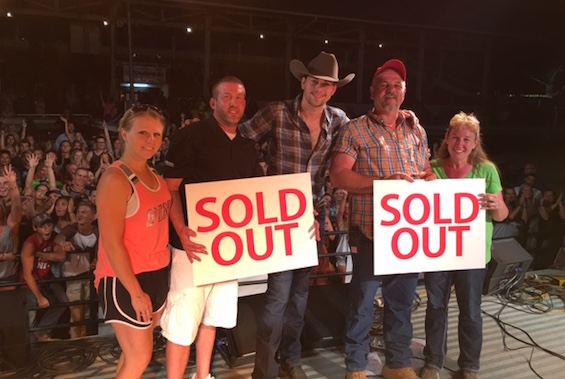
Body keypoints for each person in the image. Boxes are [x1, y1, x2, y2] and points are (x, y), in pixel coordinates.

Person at [239, 51, 354, 379]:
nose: (320, 89)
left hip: (310, 222)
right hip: (278, 218)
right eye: (315, 82)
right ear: (303, 82)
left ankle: (290, 361)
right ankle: (265, 371)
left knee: (299, 299)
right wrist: (257, 183)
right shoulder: (276, 112)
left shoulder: (340, 120)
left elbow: (347, 161)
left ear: (333, 90)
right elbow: (242, 139)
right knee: (277, 298)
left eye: (327, 85)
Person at [329, 58, 435, 379]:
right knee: (362, 305)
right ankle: (356, 365)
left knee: (401, 304)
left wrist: (430, 179)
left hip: (407, 235)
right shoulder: (354, 129)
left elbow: (427, 170)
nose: (391, 91)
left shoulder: (416, 129)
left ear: (404, 92)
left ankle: (398, 362)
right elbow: (339, 176)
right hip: (372, 233)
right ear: (372, 92)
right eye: (384, 85)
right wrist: (383, 183)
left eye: (397, 85)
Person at [160, 76, 263, 379]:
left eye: (240, 98)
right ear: (213, 103)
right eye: (227, 96)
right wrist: (180, 230)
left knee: (211, 317)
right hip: (191, 247)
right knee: (182, 320)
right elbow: (170, 189)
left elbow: (262, 191)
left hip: (227, 248)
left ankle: (202, 375)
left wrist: (300, 212)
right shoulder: (191, 136)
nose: (234, 103)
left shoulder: (247, 145)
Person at [420, 112, 509, 379]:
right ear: (446, 138)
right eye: (455, 137)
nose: (460, 143)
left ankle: (470, 366)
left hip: (472, 254)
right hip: (438, 252)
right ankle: (432, 362)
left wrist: (497, 205)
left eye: (466, 139)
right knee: (436, 309)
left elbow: (502, 215)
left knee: (470, 311)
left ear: (475, 142)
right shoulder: (431, 168)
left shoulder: (487, 170)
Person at [94, 104, 171, 379]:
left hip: (156, 272)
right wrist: (136, 292)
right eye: (143, 133)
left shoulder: (155, 175)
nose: (151, 141)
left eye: (157, 135)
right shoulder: (116, 178)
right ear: (124, 134)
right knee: (140, 357)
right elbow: (112, 243)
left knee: (132, 356)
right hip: (126, 278)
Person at [52, 200, 98, 338]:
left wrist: (96, 259)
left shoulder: (97, 231)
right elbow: (58, 237)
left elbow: (101, 248)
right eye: (78, 212)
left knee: (87, 312)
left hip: (89, 276)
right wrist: (63, 242)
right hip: (73, 277)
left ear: (93, 217)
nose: (79, 215)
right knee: (77, 314)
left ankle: (83, 343)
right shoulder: (71, 229)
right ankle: (77, 343)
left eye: (84, 212)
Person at [20, 212, 68, 342]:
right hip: (31, 281)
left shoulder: (55, 238)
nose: (47, 229)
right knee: (33, 307)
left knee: (63, 301)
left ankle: (41, 333)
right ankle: (29, 342)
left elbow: (61, 256)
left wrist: (39, 254)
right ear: (35, 228)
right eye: (43, 226)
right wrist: (39, 297)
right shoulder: (30, 244)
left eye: (49, 225)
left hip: (47, 278)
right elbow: (27, 274)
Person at [0, 165, 23, 291]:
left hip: (8, 278)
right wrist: (4, 257)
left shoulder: (10, 224)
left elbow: (17, 209)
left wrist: (13, 185)